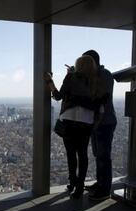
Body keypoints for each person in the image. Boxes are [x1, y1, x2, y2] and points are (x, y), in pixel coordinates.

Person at [45, 55, 105, 199]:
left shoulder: (71, 78)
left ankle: (72, 182)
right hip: (87, 123)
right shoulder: (97, 80)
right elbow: (100, 104)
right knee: (83, 155)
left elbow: (58, 96)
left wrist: (49, 80)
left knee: (71, 155)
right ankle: (79, 188)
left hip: (70, 122)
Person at [83, 50, 117, 201]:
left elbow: (97, 95)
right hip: (96, 122)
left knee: (104, 156)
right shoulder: (97, 75)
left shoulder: (105, 74)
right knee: (98, 155)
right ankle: (101, 183)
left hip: (105, 121)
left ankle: (104, 189)